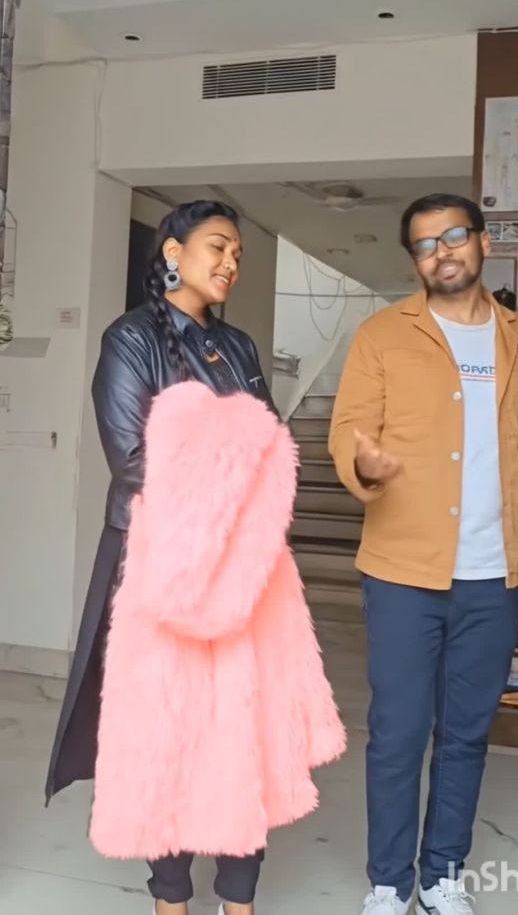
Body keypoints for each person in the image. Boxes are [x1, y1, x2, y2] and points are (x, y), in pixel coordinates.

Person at [45, 199, 345, 915]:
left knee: (248, 729)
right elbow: (136, 459)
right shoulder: (131, 339)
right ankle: (171, 899)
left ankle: (239, 899)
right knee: (169, 731)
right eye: (218, 247)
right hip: (160, 566)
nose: (231, 263)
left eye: (238, 253)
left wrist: (239, 465)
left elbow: (275, 445)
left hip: (250, 569)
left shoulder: (237, 346)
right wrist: (243, 463)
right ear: (173, 252)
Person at [329, 193, 518, 915]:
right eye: (425, 244)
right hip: (403, 573)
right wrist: (364, 464)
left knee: (465, 734)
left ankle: (443, 874)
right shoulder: (381, 337)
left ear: (483, 242)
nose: (442, 252)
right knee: (397, 735)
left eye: (454, 236)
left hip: (496, 577)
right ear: (415, 261)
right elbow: (348, 431)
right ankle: (389, 883)